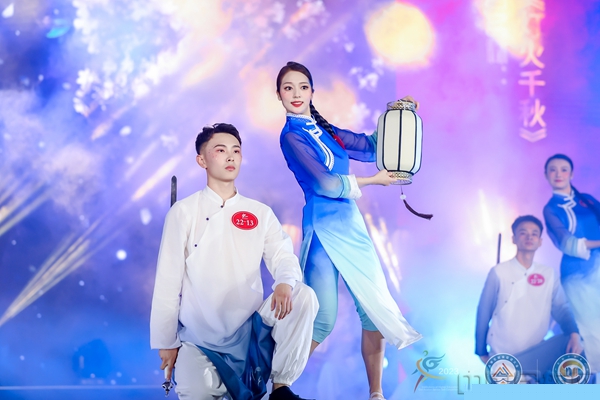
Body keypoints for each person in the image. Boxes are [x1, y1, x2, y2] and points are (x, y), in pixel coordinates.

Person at [275, 61, 422, 400]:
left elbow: (370, 146)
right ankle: (278, 385)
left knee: (373, 309)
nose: (296, 94)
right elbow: (325, 183)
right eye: (288, 88)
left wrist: (399, 115)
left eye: (302, 87)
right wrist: (373, 181)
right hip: (323, 226)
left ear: (312, 92)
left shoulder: (326, 129)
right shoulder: (292, 136)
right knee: (323, 318)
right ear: (279, 95)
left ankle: (376, 394)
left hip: (350, 225)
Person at [150, 123, 319, 400]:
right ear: (201, 160)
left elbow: (283, 255)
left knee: (303, 296)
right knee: (198, 391)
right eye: (220, 150)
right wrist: (166, 342)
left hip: (250, 330)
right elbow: (168, 281)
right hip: (200, 339)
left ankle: (281, 388)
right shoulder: (183, 212)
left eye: (236, 150)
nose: (230, 156)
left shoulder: (259, 212)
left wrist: (285, 282)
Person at [475, 215, 582, 382]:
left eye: (534, 234)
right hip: (503, 355)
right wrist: (481, 350)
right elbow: (484, 311)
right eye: (523, 233)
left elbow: (562, 309)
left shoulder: (548, 274)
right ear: (514, 239)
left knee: (576, 345)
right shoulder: (499, 272)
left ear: (540, 241)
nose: (529, 237)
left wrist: (574, 334)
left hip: (536, 354)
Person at [543, 154, 600, 375]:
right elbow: (567, 243)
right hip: (578, 276)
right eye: (553, 169)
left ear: (572, 174)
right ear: (546, 175)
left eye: (564, 169)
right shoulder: (551, 209)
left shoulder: (587, 200)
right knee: (593, 333)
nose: (558, 174)